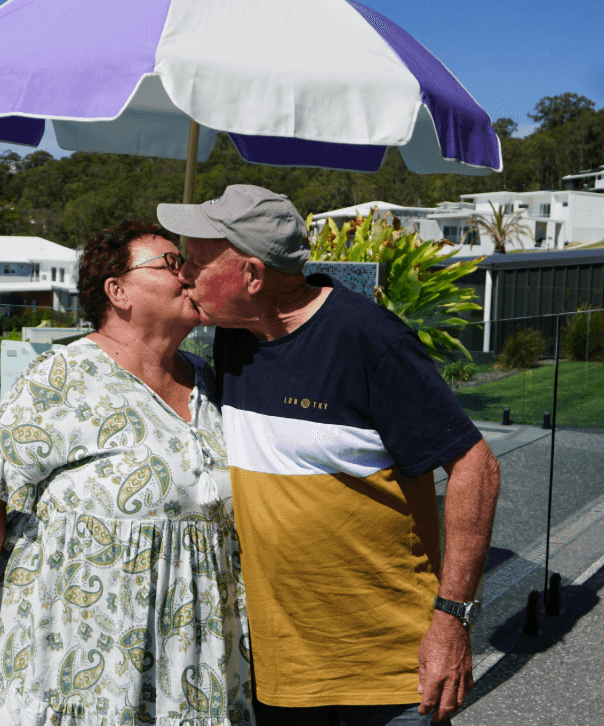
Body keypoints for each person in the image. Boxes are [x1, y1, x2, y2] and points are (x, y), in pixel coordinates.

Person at [158, 185, 501, 726]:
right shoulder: (235, 339)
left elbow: (475, 465)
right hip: (284, 670)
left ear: (252, 276)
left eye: (197, 263)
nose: (184, 276)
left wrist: (453, 619)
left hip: (390, 667)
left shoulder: (367, 339)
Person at [0, 221, 253, 726]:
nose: (189, 274)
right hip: (78, 650)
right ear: (117, 291)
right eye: (171, 263)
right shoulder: (63, 378)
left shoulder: (210, 381)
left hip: (188, 653)